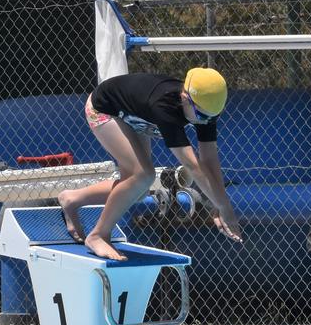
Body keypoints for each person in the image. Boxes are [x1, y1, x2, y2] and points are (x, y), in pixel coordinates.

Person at [57, 68, 243, 261]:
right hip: (105, 109)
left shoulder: (204, 110)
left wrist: (219, 203)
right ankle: (98, 235)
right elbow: (193, 165)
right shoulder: (164, 107)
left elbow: (210, 160)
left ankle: (71, 199)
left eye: (212, 117)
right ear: (185, 97)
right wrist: (224, 205)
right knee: (143, 175)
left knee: (138, 191)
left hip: (135, 116)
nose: (206, 121)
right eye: (202, 116)